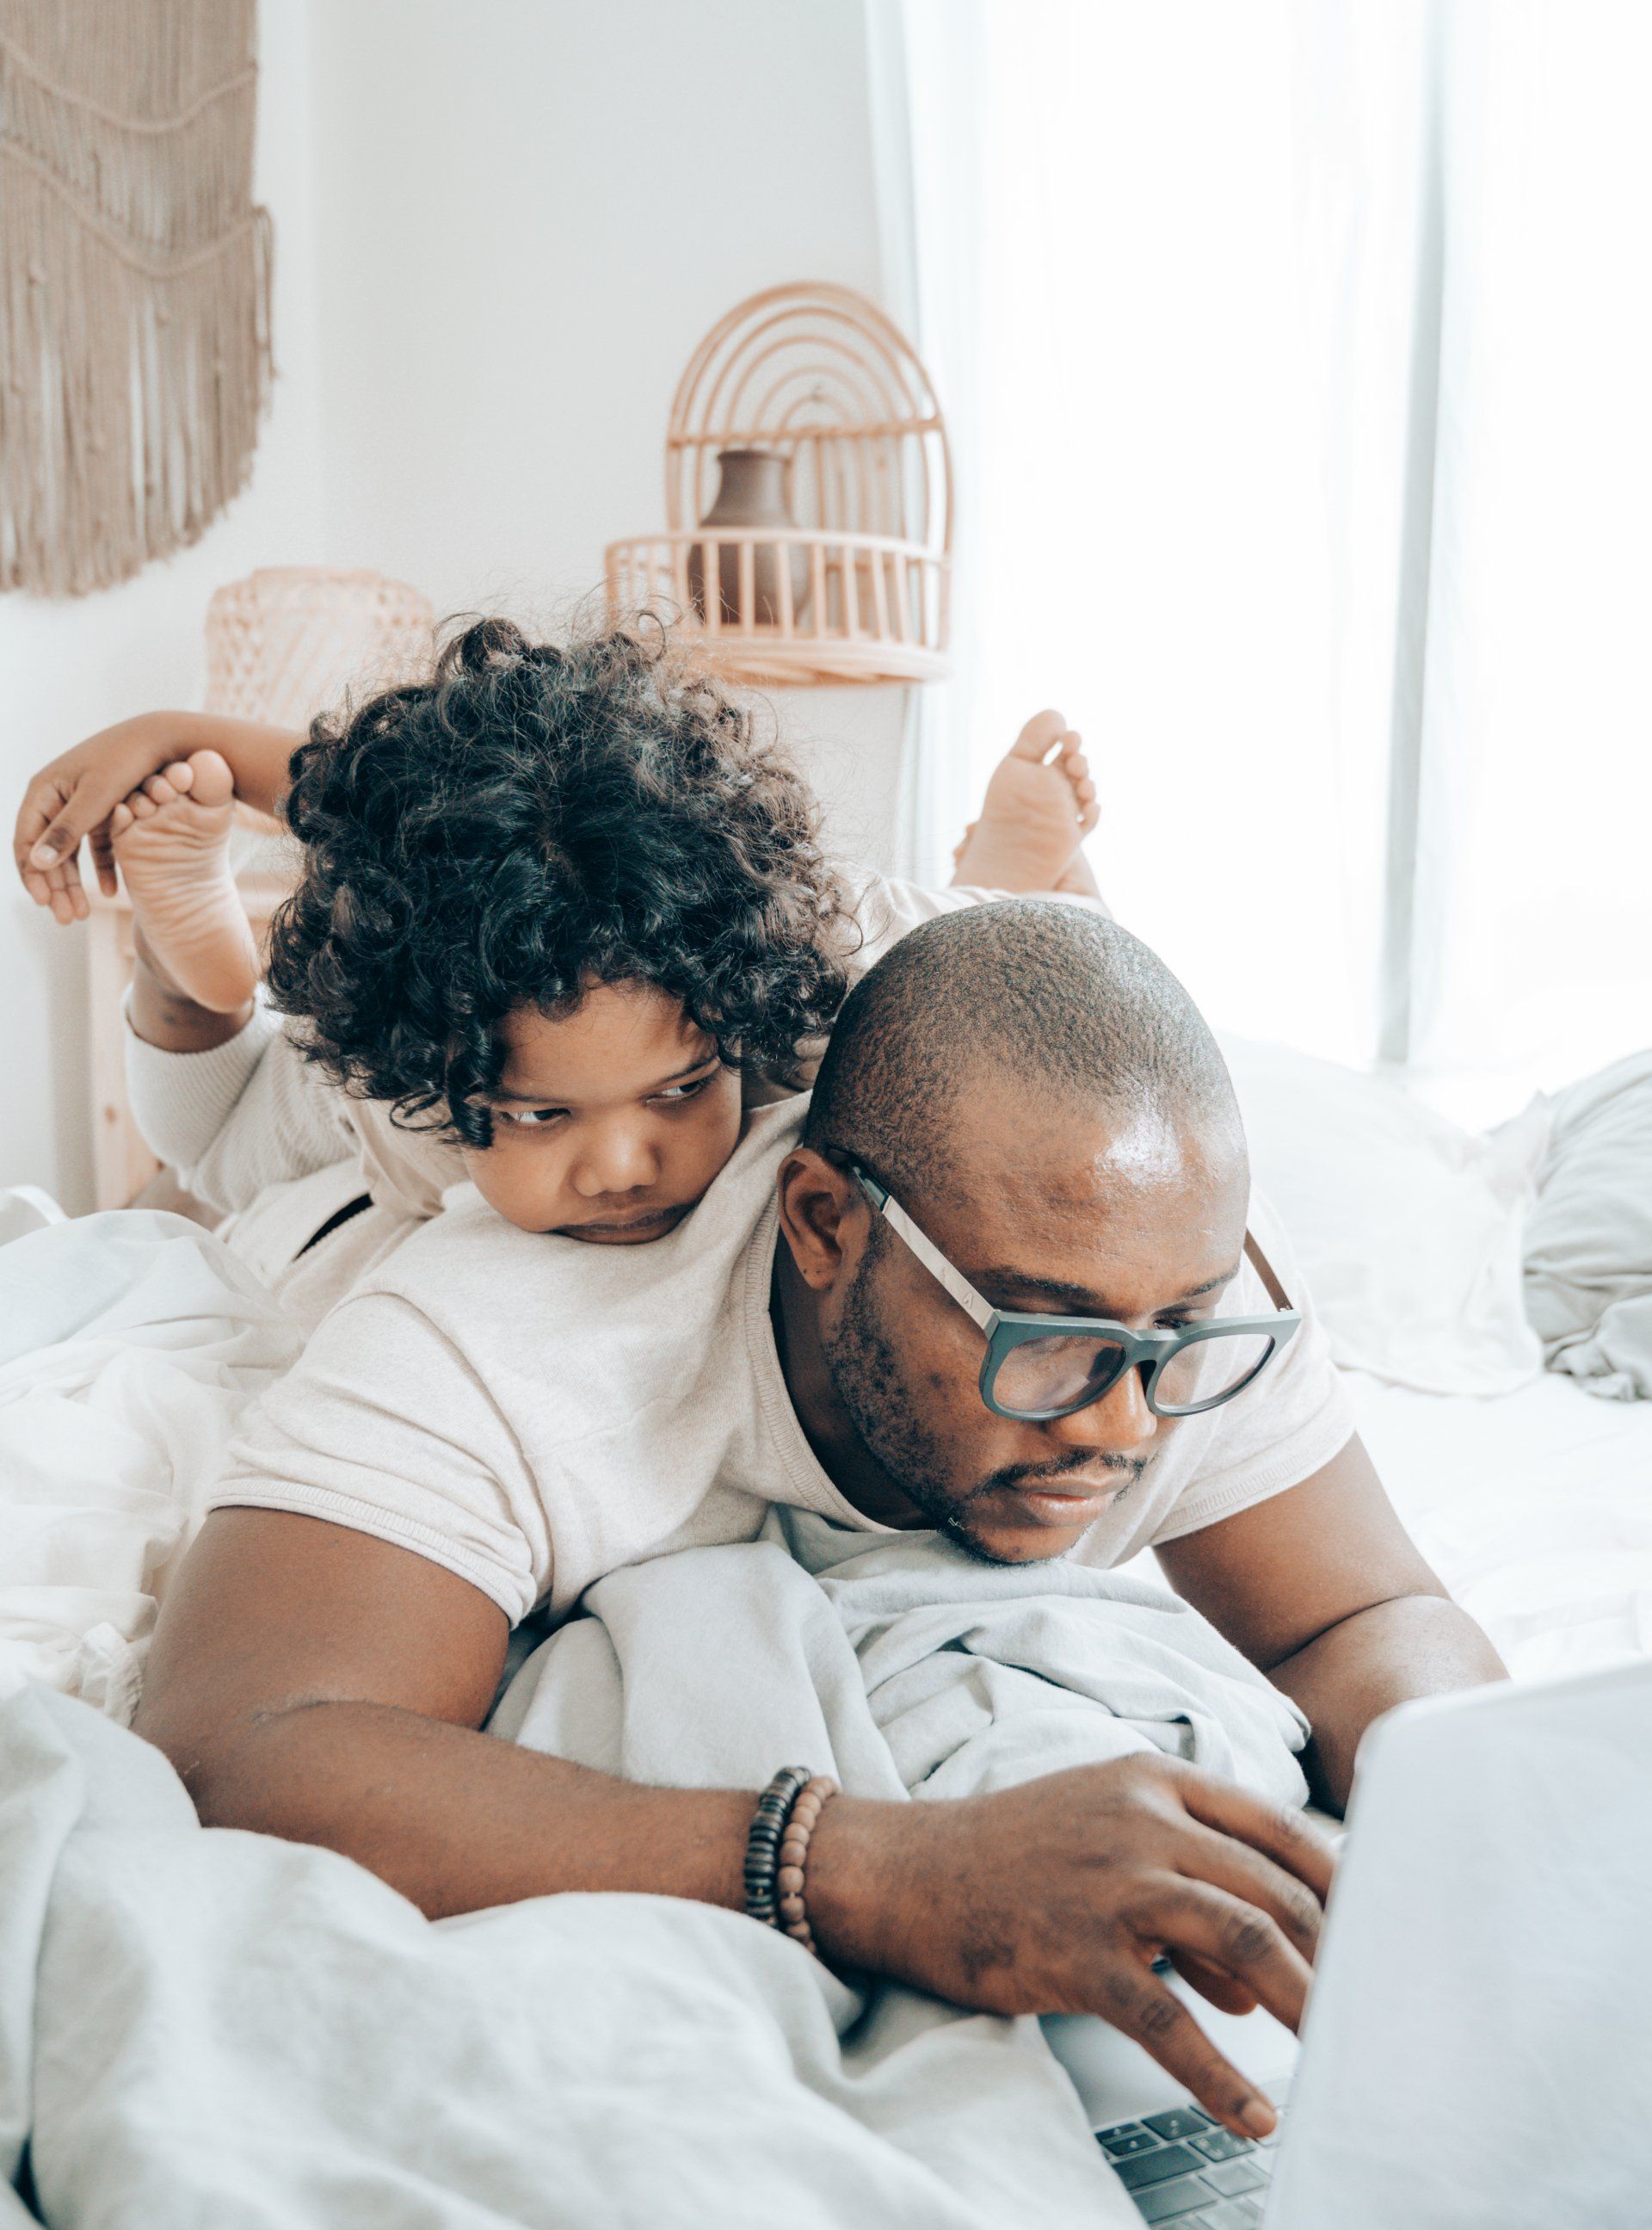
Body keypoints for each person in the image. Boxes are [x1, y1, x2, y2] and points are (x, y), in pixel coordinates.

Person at [133, 900, 1505, 2139]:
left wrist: (1445, 1826)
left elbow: (1367, 1612)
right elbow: (240, 1750)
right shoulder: (504, 1339)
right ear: (824, 1224)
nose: (1119, 1426)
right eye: (1042, 1337)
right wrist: (882, 1873)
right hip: (328, 1228)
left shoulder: (1167, 1294)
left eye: (1175, 1337)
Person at [12, 622, 1101, 1308]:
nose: (622, 1165)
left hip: (834, 954)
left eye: (679, 1091)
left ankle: (1000, 871)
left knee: (978, 944)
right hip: (411, 1080)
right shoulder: (420, 1085)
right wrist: (167, 732)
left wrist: (1058, 882)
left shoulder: (813, 968)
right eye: (544, 1116)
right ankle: (180, 961)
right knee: (215, 1148)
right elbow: (374, 796)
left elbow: (1100, 1002)